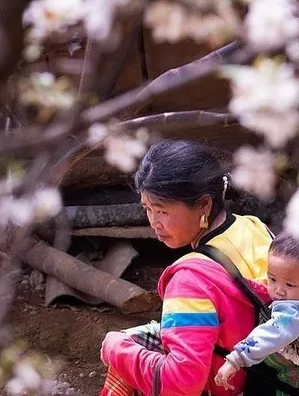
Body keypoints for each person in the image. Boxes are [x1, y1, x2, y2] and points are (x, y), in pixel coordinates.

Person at [99, 139, 275, 396]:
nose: (154, 222)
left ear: (204, 204)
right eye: (147, 209)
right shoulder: (253, 228)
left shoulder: (190, 280)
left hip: (232, 386)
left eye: (162, 211)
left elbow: (181, 383)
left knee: (124, 353)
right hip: (272, 380)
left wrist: (115, 348)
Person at [212, 236, 299, 390]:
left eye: (289, 284)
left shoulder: (292, 314)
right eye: (272, 278)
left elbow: (272, 332)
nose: (278, 290)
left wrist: (236, 359)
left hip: (287, 382)